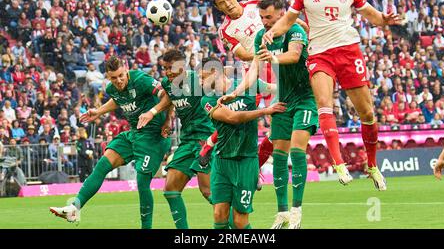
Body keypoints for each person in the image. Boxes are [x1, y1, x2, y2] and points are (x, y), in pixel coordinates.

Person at [263, 0, 401, 191]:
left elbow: (373, 16)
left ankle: (371, 165)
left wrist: (385, 19)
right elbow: (289, 19)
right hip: (320, 54)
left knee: (367, 113)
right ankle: (339, 163)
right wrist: (273, 31)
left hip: (349, 52)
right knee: (324, 103)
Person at [218, 0, 318, 229]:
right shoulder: (261, 37)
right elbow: (254, 68)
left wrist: (271, 57)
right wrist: (236, 91)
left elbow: (294, 55)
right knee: (280, 156)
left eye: (269, 17)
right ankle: (282, 212)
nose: (264, 22)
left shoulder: (293, 30)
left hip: (306, 98)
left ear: (282, 14)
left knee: (296, 150)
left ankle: (296, 211)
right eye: (261, 17)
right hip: (283, 100)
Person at [201, 0, 308, 187]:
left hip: (280, 65)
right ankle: (211, 144)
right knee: (243, 117)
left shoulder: (254, 4)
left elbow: (283, 16)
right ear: (219, 8)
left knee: (278, 124)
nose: (227, 4)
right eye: (221, 4)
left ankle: (253, 164)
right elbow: (241, 53)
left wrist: (301, 26)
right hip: (256, 72)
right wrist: (263, 54)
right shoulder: (226, 30)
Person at [50, 56, 171, 228]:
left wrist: (156, 114)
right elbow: (117, 99)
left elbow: (168, 95)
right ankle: (74, 208)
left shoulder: (141, 80)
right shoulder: (111, 88)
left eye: (121, 75)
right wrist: (99, 111)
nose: (119, 80)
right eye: (113, 78)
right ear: (107, 76)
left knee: (142, 182)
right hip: (134, 134)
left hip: (154, 137)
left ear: (126, 69)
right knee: (102, 166)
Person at [200, 56, 285, 229]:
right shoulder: (207, 101)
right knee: (219, 214)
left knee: (239, 219)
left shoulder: (248, 85)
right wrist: (266, 110)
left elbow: (277, 89)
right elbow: (233, 118)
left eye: (202, 78)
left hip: (246, 161)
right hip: (222, 161)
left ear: (215, 73)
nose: (200, 83)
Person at [157, 50, 216, 228]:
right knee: (171, 190)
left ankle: (237, 226)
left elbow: (223, 75)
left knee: (208, 191)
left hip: (204, 138)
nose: (167, 72)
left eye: (171, 68)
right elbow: (170, 96)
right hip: (187, 140)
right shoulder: (168, 83)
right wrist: (168, 118)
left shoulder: (198, 79)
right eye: (165, 68)